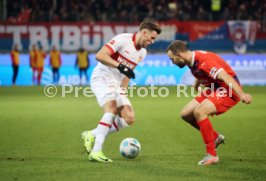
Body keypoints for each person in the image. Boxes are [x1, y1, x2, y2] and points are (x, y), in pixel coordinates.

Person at [81, 17, 161, 162]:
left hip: (116, 83)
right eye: (151, 38)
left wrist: (123, 90)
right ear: (144, 32)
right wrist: (119, 65)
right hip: (102, 76)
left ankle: (92, 134)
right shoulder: (122, 40)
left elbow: (128, 74)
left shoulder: (142, 53)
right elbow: (100, 55)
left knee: (129, 118)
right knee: (111, 110)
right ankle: (96, 151)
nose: (152, 42)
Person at [166, 40, 252, 166]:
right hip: (214, 88)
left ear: (179, 55)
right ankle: (215, 137)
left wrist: (242, 94)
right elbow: (199, 72)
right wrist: (197, 84)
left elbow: (225, 77)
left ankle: (212, 155)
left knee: (200, 111)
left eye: (172, 59)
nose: (172, 62)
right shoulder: (191, 59)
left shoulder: (205, 62)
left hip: (228, 90)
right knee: (185, 114)